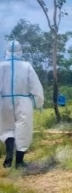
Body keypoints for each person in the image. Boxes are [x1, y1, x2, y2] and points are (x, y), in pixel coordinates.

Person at [0, 40, 44, 169]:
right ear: (20, 52)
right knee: (23, 129)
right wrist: (39, 102)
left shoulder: (1, 66)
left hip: (4, 101)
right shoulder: (26, 66)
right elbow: (35, 86)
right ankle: (19, 162)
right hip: (23, 101)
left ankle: (8, 159)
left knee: (6, 129)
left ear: (7, 51)